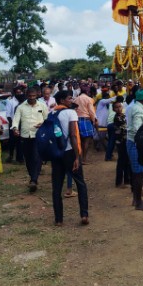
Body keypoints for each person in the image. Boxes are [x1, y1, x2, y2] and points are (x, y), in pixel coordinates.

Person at [50, 91, 89, 226]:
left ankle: (59, 219)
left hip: (56, 153)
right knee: (80, 183)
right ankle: (84, 214)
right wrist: (77, 157)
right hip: (69, 152)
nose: (71, 100)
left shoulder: (52, 113)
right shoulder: (71, 113)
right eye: (69, 98)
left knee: (57, 186)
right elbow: (73, 134)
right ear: (62, 100)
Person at [12, 87, 48, 191]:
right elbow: (16, 120)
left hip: (38, 135)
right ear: (27, 95)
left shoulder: (42, 105)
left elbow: (47, 119)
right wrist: (15, 128)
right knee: (28, 158)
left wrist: (42, 124)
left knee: (37, 157)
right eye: (30, 96)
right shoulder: (21, 107)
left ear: (37, 95)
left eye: (34, 96)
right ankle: (33, 177)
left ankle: (33, 180)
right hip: (25, 135)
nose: (32, 98)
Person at [127, 89, 143, 211]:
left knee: (137, 173)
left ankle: (136, 199)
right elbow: (138, 129)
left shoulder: (136, 107)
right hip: (137, 143)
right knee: (139, 173)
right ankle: (138, 202)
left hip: (133, 142)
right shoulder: (138, 110)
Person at [73, 83, 97, 164]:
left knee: (79, 140)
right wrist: (95, 121)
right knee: (86, 141)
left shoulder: (76, 99)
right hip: (86, 120)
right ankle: (84, 159)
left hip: (76, 120)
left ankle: (78, 157)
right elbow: (92, 112)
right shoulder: (89, 99)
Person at [113, 100, 131, 188]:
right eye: (116, 107)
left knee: (127, 160)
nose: (119, 108)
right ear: (114, 109)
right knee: (121, 161)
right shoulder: (117, 118)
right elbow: (125, 127)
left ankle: (127, 179)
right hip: (120, 141)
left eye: (120, 106)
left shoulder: (123, 116)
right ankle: (118, 182)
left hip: (125, 140)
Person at [5, 85, 25, 163]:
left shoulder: (24, 101)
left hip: (22, 125)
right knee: (12, 142)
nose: (19, 94)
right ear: (14, 93)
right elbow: (8, 115)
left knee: (20, 142)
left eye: (20, 92)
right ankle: (10, 156)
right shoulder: (10, 101)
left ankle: (20, 158)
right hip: (13, 124)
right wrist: (13, 126)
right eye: (17, 92)